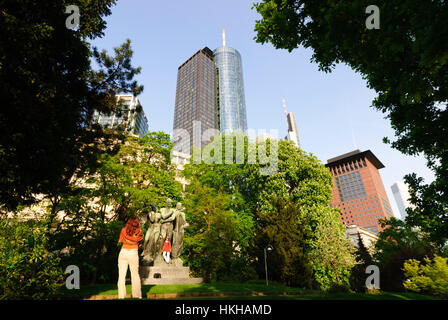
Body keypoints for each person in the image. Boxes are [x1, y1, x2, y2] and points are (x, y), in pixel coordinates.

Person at [117, 217, 144, 299]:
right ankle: (137, 295)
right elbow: (138, 242)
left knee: (121, 276)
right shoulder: (139, 232)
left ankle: (121, 296)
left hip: (123, 252)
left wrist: (127, 240)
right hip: (133, 252)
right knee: (135, 275)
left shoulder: (123, 230)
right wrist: (133, 241)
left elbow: (121, 240)